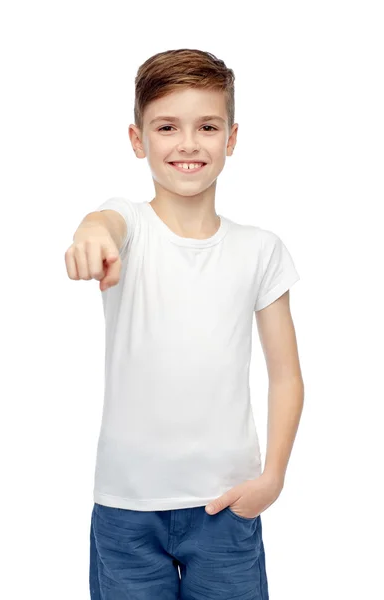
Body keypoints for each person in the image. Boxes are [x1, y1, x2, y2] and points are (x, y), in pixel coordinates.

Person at [65, 48, 304, 600]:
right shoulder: (127, 226)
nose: (189, 143)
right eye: (167, 126)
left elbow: (286, 375)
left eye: (208, 126)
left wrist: (273, 478)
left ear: (232, 137)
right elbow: (104, 221)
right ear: (136, 138)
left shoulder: (260, 250)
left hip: (226, 506)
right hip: (126, 511)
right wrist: (90, 232)